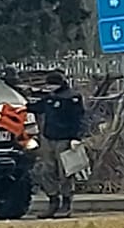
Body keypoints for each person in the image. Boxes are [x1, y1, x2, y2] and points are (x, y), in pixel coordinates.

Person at [27, 70, 87, 218]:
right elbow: (35, 108)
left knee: (65, 172)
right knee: (46, 170)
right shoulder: (49, 98)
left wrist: (76, 137)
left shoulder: (72, 97)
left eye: (51, 84)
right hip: (49, 138)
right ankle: (53, 200)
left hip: (65, 139)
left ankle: (66, 203)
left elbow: (79, 119)